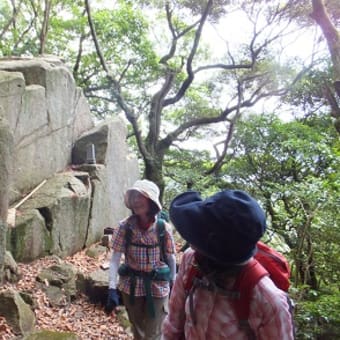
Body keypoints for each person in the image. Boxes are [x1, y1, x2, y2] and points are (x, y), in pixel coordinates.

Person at [162, 190, 294, 340]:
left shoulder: (268, 301)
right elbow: (173, 325)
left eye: (197, 236)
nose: (191, 244)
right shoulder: (191, 261)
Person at [105, 179, 177, 340]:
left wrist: (174, 283)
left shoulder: (163, 228)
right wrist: (111, 287)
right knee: (137, 330)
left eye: (141, 196)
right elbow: (115, 259)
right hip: (131, 285)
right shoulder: (124, 227)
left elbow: (171, 258)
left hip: (157, 284)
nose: (136, 201)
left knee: (154, 332)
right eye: (134, 197)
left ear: (151, 201)